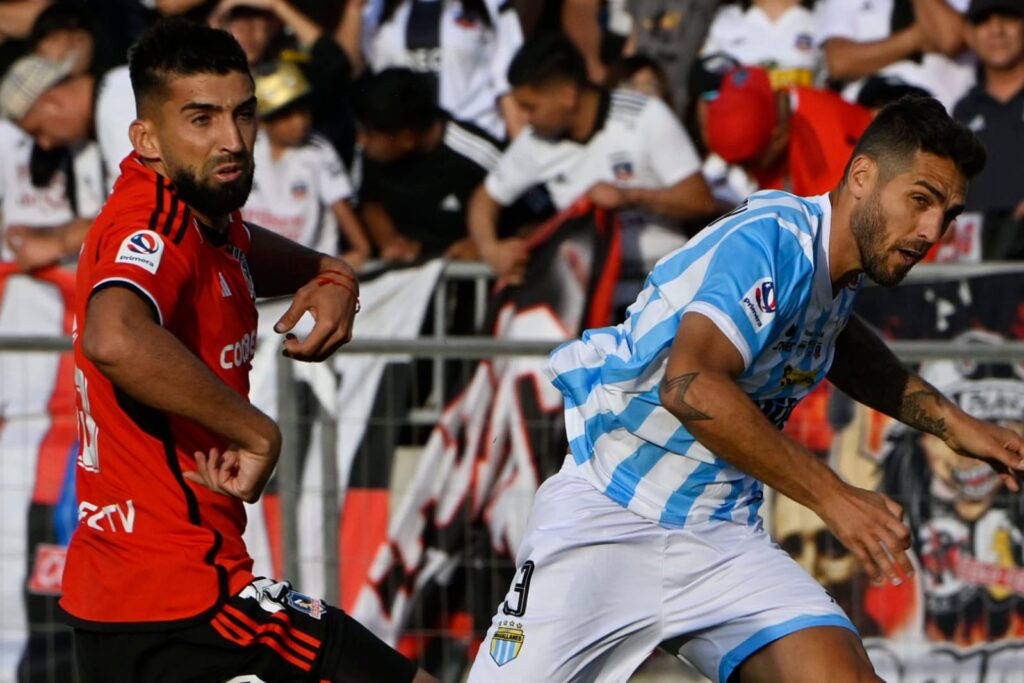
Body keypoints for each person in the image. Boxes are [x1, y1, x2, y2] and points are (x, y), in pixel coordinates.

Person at [468, 96, 1024, 682]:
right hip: (609, 513)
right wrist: (833, 497)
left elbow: (840, 344)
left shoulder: (838, 269)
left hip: (718, 535)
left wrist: (956, 425)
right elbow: (690, 385)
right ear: (861, 175)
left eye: (948, 214)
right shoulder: (770, 238)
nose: (932, 230)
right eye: (920, 200)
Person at [60, 19, 437, 683]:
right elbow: (113, 336)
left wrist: (332, 271)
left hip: (130, 592)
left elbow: (242, 247)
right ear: (146, 138)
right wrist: (257, 431)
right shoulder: (152, 222)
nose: (232, 140)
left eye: (244, 114)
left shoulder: (203, 215)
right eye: (200, 119)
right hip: (184, 595)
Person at [469, 33, 713, 288]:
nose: (524, 118)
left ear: (567, 95)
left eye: (531, 107)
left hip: (661, 286)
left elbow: (700, 200)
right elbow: (484, 199)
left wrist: (631, 196)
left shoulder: (645, 116)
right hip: (589, 298)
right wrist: (490, 249)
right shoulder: (534, 141)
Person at [354, 67, 506, 262]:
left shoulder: (476, 153)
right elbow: (370, 202)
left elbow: (534, 214)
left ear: (407, 138)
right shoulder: (372, 155)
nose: (361, 141)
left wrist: (485, 244)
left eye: (370, 133)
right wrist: (391, 243)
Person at [244, 60, 370, 267]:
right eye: (286, 115)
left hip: (308, 276)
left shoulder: (318, 152)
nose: (300, 122)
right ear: (263, 122)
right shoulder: (250, 150)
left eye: (303, 111)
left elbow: (359, 244)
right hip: (259, 280)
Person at [362, 0, 525, 140]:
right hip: (399, 149)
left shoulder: (490, 4)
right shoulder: (376, 7)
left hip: (474, 143)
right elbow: (354, 68)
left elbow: (507, 84)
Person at [703, 65, 873, 196]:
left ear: (777, 139)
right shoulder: (777, 101)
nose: (747, 173)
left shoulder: (831, 165)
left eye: (748, 164)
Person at [952, 0, 1024, 259]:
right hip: (978, 267)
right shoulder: (962, 111)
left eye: (1008, 17)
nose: (996, 30)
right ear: (969, 35)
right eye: (983, 21)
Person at [817, 0, 975, 110]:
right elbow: (839, 62)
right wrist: (915, 38)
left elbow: (950, 39)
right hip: (868, 127)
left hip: (945, 120)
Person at [700, 0, 821, 88]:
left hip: (803, 119)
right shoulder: (724, 18)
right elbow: (705, 88)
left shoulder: (822, 19)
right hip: (740, 118)